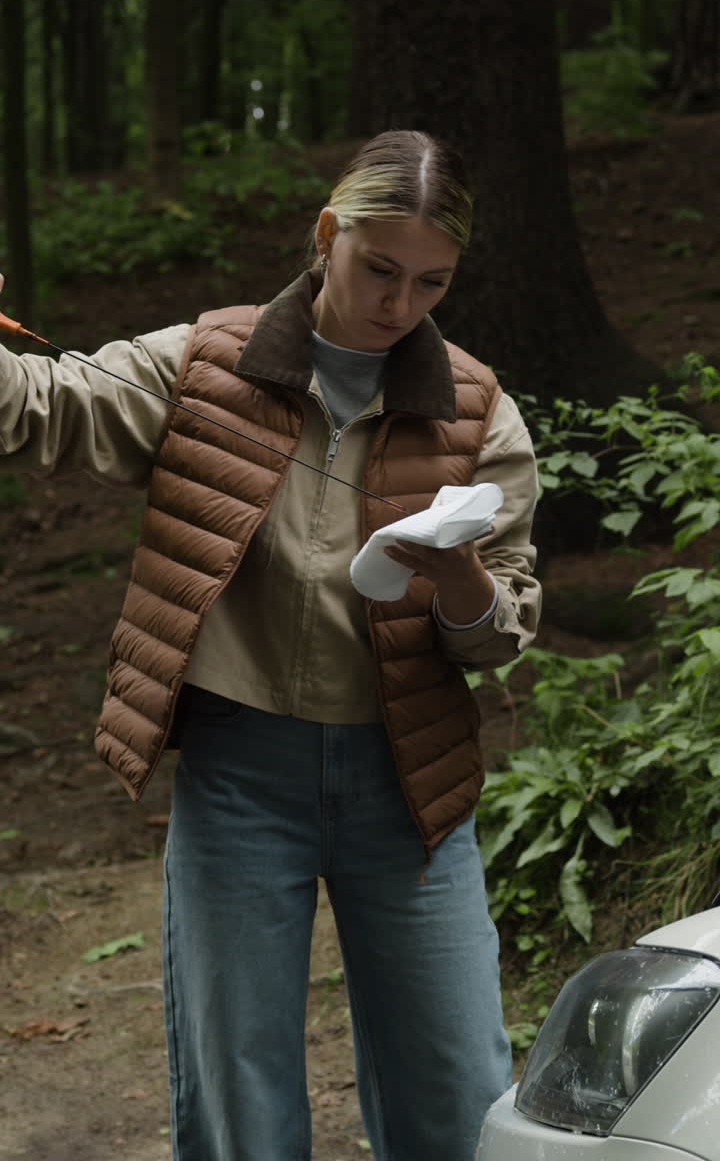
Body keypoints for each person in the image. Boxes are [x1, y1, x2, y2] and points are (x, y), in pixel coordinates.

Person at [0, 130, 541, 1161]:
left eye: (431, 282)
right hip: (242, 775)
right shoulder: (208, 362)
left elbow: (500, 634)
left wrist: (461, 575)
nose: (400, 304)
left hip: (410, 780)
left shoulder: (476, 408)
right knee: (239, 1102)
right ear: (329, 234)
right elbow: (44, 405)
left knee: (459, 1096)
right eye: (380, 268)